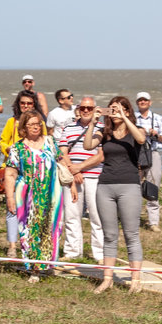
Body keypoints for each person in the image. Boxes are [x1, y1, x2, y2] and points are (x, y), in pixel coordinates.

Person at [84, 96, 147, 293]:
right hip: (105, 186)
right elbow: (87, 146)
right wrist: (92, 124)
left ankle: (135, 280)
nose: (114, 112)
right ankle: (107, 278)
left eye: (118, 109)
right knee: (109, 235)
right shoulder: (105, 133)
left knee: (131, 234)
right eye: (111, 109)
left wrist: (125, 118)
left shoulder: (137, 130)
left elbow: (141, 139)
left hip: (129, 186)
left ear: (128, 111)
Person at [3, 110, 72, 282]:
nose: (36, 127)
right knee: (29, 229)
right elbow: (10, 174)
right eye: (31, 124)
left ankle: (47, 264)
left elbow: (62, 161)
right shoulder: (17, 148)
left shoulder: (50, 142)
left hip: (51, 193)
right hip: (26, 195)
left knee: (51, 227)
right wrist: (10, 197)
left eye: (38, 124)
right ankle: (34, 269)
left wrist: (72, 185)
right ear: (24, 128)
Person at [0, 90, 45, 258]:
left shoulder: (39, 122)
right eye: (22, 103)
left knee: (33, 210)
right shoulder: (12, 122)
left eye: (29, 103)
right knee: (12, 209)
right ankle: (12, 245)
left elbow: (44, 142)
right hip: (14, 170)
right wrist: (8, 149)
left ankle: (32, 244)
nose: (25, 106)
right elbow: (2, 141)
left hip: (34, 172)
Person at [59, 97, 105, 263]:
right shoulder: (68, 127)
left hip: (94, 176)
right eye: (83, 108)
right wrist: (73, 169)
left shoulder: (102, 128)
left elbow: (101, 155)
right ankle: (72, 252)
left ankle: (100, 254)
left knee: (96, 216)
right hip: (72, 177)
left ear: (95, 110)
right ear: (78, 109)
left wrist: (81, 167)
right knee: (71, 215)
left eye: (90, 108)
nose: (86, 111)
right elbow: (62, 152)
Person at [134, 92, 162, 232]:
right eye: (140, 100)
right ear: (137, 102)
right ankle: (131, 219)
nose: (142, 102)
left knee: (153, 186)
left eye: (145, 100)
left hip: (153, 153)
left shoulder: (158, 119)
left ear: (150, 102)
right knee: (133, 186)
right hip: (136, 154)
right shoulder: (132, 118)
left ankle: (153, 222)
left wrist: (156, 134)